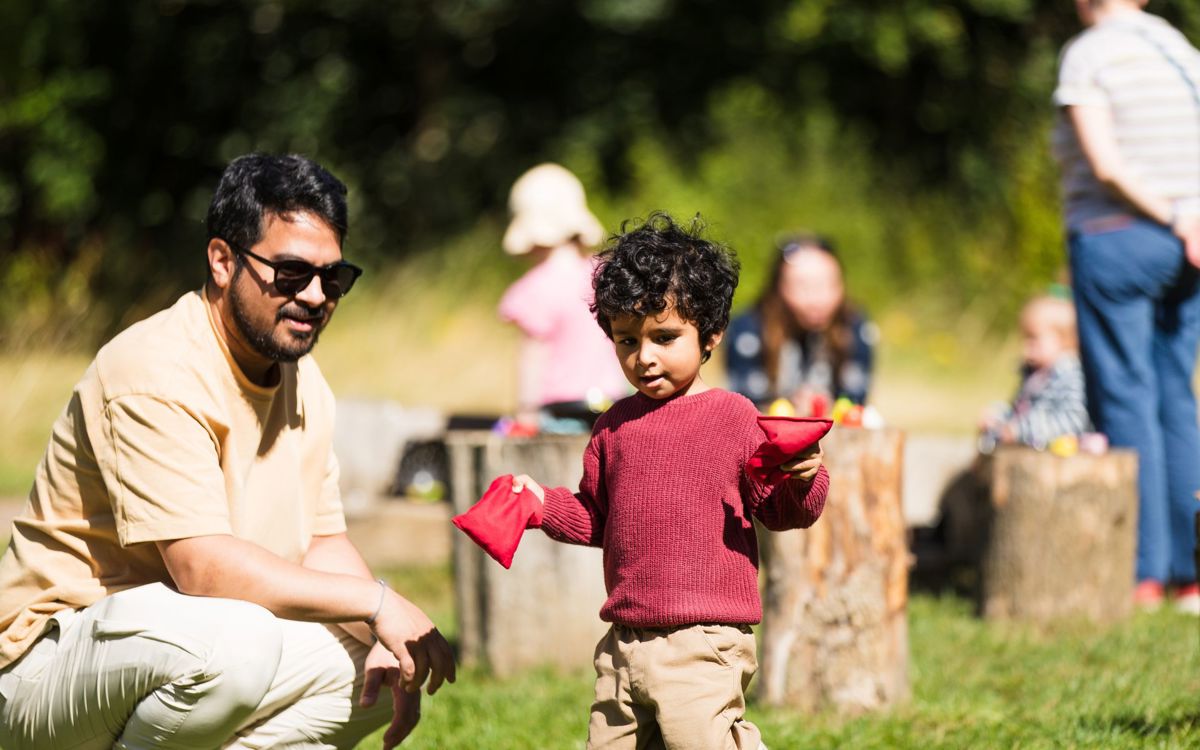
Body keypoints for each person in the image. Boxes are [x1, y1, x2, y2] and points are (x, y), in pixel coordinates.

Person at [0, 153, 455, 750]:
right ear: (222, 261)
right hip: (41, 666)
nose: (316, 296)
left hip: (174, 643)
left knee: (371, 673)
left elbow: (320, 543)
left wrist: (388, 634)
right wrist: (377, 602)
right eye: (291, 272)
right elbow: (203, 568)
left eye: (334, 278)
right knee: (237, 644)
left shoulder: (303, 380)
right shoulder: (155, 368)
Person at [511, 213, 830, 749]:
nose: (644, 357)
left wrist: (804, 479)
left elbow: (781, 510)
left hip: (703, 641)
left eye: (664, 336)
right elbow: (598, 516)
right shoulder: (613, 425)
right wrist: (542, 505)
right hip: (624, 640)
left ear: (710, 334)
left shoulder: (732, 417)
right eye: (626, 340)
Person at [1053, 0, 1200, 612]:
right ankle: (1191, 576)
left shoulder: (1090, 52)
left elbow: (1106, 164)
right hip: (1192, 243)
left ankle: (1142, 573)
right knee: (1176, 396)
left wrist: (1166, 215)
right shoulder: (1180, 51)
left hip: (1120, 238)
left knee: (1125, 395)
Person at [497, 163, 628, 430]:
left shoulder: (533, 288)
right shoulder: (605, 275)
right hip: (612, 405)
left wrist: (526, 413)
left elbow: (534, 354)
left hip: (559, 411)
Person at [725, 233, 875, 414]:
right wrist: (790, 404)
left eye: (827, 284)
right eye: (803, 286)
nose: (817, 299)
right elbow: (746, 400)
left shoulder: (854, 326)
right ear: (778, 287)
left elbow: (856, 399)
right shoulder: (748, 330)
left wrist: (828, 405)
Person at [979, 294, 1092, 450]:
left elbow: (1072, 421)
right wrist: (999, 417)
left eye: (1033, 339)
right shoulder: (1034, 374)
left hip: (1055, 456)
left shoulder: (1070, 376)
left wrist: (1019, 431)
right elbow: (1019, 409)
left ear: (1065, 339)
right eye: (1024, 338)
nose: (1026, 346)